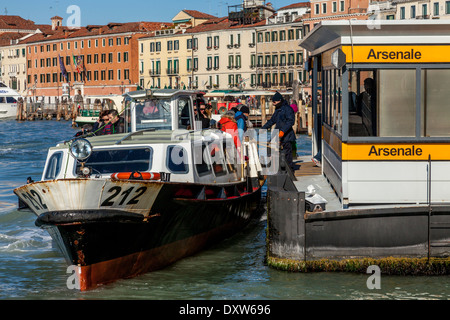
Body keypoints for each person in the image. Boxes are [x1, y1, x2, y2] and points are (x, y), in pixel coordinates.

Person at [261, 92, 296, 171]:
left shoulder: (288, 109)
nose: (273, 103)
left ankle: (289, 170)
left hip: (287, 135)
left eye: (274, 102)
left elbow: (290, 121)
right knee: (274, 151)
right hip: (278, 135)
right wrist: (263, 129)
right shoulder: (277, 110)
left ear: (279, 101)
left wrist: (283, 131)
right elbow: (272, 121)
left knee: (287, 154)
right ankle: (279, 168)